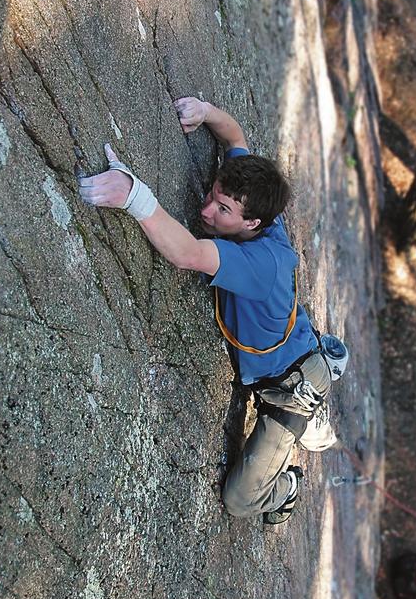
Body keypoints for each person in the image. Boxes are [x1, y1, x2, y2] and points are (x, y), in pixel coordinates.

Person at [77, 97, 339, 525]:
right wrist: (204, 112)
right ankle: (311, 408)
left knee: (238, 500)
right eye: (213, 195)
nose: (205, 210)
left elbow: (187, 254)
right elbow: (234, 137)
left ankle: (288, 482)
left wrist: (134, 195)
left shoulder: (260, 265)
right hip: (288, 352)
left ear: (253, 223)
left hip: (287, 384)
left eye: (222, 210)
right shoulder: (256, 201)